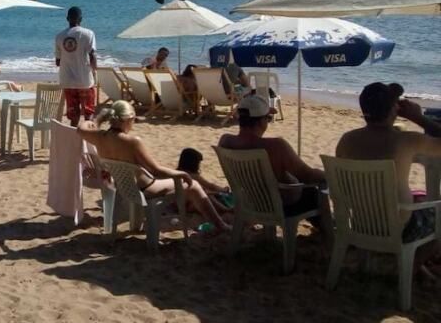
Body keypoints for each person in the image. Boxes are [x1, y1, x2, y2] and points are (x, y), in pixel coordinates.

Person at [336, 83, 441, 278]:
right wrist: (418, 118)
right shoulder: (406, 140)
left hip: (361, 222)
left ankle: (406, 263)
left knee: (419, 200)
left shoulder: (346, 140)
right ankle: (408, 270)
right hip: (400, 227)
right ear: (394, 109)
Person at [78, 100, 230, 231]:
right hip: (145, 189)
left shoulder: (99, 137)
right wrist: (182, 174)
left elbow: (80, 128)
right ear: (128, 119)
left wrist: (95, 122)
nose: (133, 123)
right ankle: (220, 225)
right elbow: (156, 170)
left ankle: (221, 214)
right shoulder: (132, 142)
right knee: (194, 185)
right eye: (133, 119)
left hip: (123, 187)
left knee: (187, 178)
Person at [218, 95, 325, 225]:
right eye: (268, 118)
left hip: (250, 202)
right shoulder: (276, 146)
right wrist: (327, 175)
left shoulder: (225, 141)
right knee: (314, 193)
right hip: (281, 206)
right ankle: (327, 229)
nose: (268, 122)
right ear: (260, 122)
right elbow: (307, 176)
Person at [55, 6, 97, 127]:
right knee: (89, 113)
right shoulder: (88, 34)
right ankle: (89, 136)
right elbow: (92, 56)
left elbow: (58, 62)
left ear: (67, 18)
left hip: (67, 81)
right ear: (81, 19)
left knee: (73, 115)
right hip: (84, 81)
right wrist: (94, 70)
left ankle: (73, 136)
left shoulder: (59, 36)